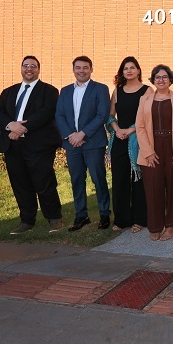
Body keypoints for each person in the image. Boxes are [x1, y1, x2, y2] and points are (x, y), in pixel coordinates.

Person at [0, 56, 64, 234]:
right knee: (20, 184)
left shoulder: (49, 91)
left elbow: (46, 113)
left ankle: (54, 218)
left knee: (44, 182)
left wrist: (21, 128)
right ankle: (27, 220)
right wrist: (11, 125)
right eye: (26, 66)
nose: (29, 69)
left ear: (38, 69)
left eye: (33, 66)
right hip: (13, 146)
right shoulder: (9, 91)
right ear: (21, 68)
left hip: (38, 145)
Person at [55, 56, 111, 231]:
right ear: (73, 70)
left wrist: (82, 133)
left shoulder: (100, 89)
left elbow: (102, 115)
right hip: (72, 144)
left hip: (93, 142)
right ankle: (81, 215)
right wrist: (71, 135)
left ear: (91, 69)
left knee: (98, 179)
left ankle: (104, 214)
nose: (81, 71)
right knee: (77, 179)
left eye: (85, 68)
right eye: (78, 68)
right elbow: (59, 115)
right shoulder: (64, 91)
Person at [136, 64, 173, 241]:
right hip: (151, 147)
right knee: (153, 188)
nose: (161, 80)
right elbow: (140, 127)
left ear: (170, 79)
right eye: (158, 77)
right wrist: (148, 152)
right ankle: (155, 226)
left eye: (165, 77)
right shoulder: (144, 99)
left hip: (172, 147)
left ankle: (171, 226)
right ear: (153, 80)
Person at [108, 57, 150, 232]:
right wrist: (117, 129)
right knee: (119, 179)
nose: (129, 71)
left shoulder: (148, 91)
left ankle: (139, 219)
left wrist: (131, 130)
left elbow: (148, 117)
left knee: (138, 179)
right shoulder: (117, 91)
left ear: (139, 70)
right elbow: (110, 116)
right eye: (126, 68)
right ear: (122, 72)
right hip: (119, 139)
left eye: (133, 67)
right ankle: (121, 219)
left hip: (138, 140)